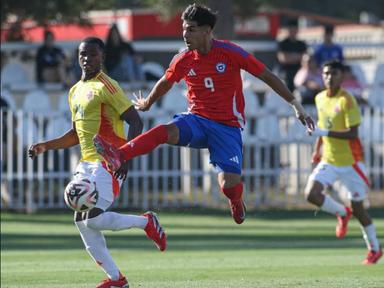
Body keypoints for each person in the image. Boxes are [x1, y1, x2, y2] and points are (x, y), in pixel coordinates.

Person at [93, 4, 315, 225]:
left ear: (207, 31)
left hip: (227, 127)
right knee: (164, 131)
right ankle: (120, 155)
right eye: (183, 29)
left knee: (229, 186)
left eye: (191, 29)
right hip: (197, 120)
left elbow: (267, 76)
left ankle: (236, 200)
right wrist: (148, 103)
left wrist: (296, 104)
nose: (184, 34)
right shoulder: (184, 58)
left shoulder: (230, 53)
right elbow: (165, 82)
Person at [28, 37, 167, 288]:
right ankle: (117, 280)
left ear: (101, 57)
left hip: (109, 161)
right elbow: (75, 135)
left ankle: (146, 222)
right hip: (86, 164)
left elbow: (136, 122)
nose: (86, 59)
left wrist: (125, 154)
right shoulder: (74, 91)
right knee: (81, 221)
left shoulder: (107, 86)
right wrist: (45, 146)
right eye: (82, 54)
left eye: (92, 55)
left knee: (92, 219)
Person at [306, 60, 382, 265]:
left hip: (351, 163)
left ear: (342, 76)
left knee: (359, 209)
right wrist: (316, 151)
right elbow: (322, 126)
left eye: (334, 74)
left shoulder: (347, 100)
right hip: (329, 159)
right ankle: (341, 212)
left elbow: (353, 133)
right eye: (326, 74)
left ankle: (374, 249)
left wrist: (324, 132)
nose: (329, 77)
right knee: (311, 194)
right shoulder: (319, 98)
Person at [277, 19, 307, 92]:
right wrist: (297, 56)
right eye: (291, 29)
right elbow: (283, 59)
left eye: (294, 29)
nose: (293, 32)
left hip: (299, 70)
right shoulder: (283, 43)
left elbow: (305, 59)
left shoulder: (302, 44)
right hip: (286, 71)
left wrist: (291, 56)